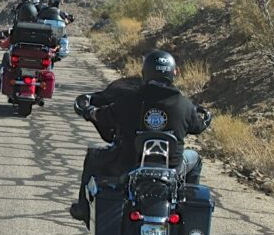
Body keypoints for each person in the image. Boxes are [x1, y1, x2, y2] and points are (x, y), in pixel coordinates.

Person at [70, 49, 211, 221]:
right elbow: (198, 126)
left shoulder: (131, 99)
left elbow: (103, 116)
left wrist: (89, 111)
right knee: (194, 159)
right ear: (174, 73)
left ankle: (83, 209)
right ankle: (187, 208)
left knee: (93, 157)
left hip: (129, 164)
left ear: (145, 72)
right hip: (172, 168)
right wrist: (204, 118)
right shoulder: (185, 104)